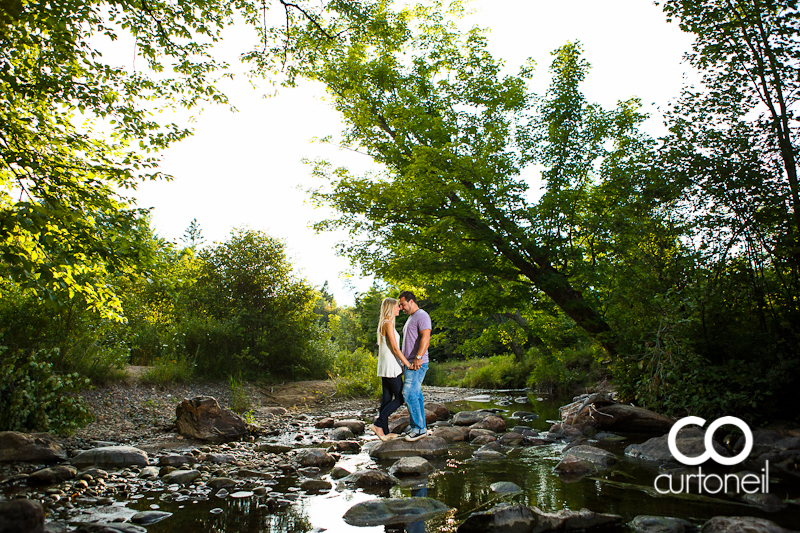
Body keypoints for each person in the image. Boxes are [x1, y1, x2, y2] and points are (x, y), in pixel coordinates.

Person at [370, 297, 413, 441]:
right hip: (391, 366)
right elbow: (395, 348)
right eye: (396, 306)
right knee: (400, 398)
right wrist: (407, 364)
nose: (399, 308)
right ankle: (377, 424)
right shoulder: (387, 324)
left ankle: (385, 432)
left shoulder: (386, 323)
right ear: (390, 308)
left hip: (386, 366)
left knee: (387, 399)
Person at [398, 290, 432, 442]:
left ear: (411, 301)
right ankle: (420, 427)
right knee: (416, 395)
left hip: (417, 363)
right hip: (409, 363)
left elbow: (426, 336)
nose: (401, 307)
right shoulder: (411, 318)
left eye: (403, 304)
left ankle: (418, 429)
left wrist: (418, 357)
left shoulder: (422, 315)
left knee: (408, 393)